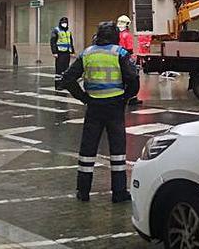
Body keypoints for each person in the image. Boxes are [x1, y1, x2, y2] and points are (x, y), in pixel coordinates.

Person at [58, 21, 139, 203]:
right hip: (115, 107)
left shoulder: (87, 53)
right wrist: (125, 97)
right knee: (117, 151)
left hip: (94, 106)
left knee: (88, 149)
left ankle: (83, 191)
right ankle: (118, 193)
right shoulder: (119, 53)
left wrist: (83, 97)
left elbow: (68, 79)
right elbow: (133, 79)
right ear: (115, 37)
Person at [117, 15, 143, 106]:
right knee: (133, 78)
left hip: (118, 57)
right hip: (126, 58)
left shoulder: (117, 35)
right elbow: (130, 48)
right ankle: (132, 97)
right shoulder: (127, 35)